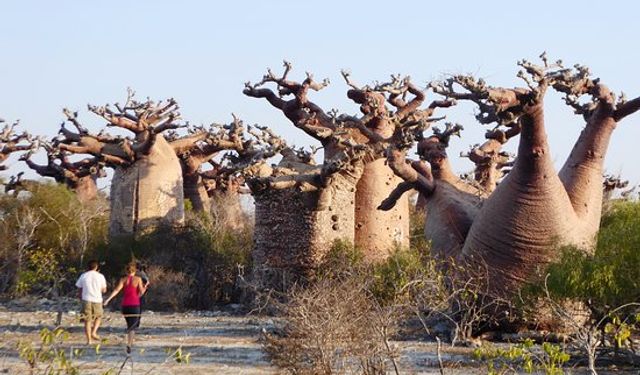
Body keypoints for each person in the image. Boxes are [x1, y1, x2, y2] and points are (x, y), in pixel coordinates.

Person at [103, 262, 148, 354]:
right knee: (132, 326)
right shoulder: (138, 279)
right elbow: (141, 292)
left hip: (125, 305)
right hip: (135, 304)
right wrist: (145, 287)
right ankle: (129, 344)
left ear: (126, 271)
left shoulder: (123, 280)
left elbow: (116, 290)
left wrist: (107, 300)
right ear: (134, 271)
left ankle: (129, 342)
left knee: (129, 324)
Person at [75, 260, 107, 345]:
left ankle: (89, 340)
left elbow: (79, 288)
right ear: (96, 267)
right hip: (97, 299)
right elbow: (104, 290)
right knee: (98, 317)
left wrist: (80, 297)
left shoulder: (83, 276)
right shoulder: (100, 276)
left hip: (86, 299)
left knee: (87, 320)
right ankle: (94, 331)